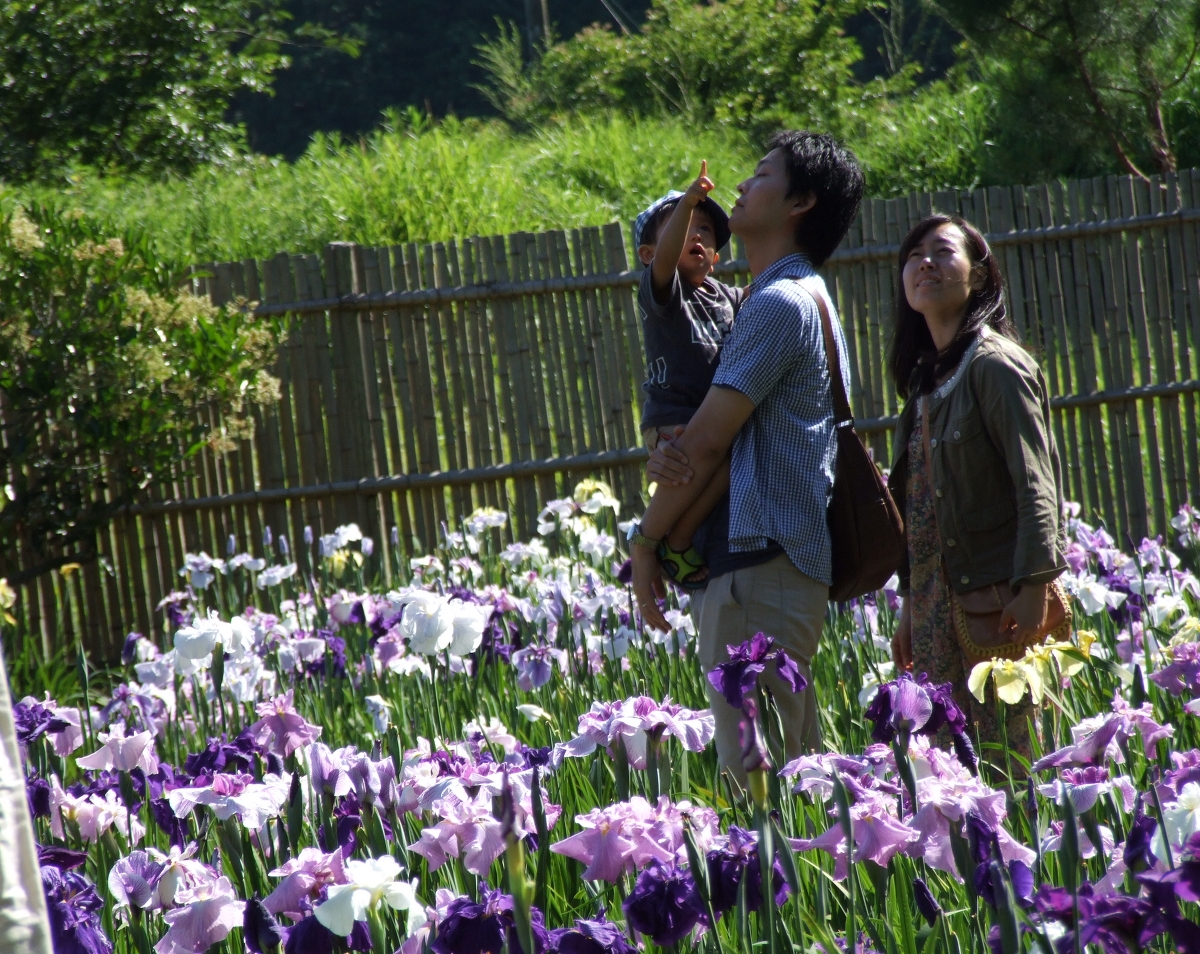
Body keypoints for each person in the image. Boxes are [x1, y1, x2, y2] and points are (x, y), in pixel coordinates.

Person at [629, 131, 865, 785]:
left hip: (758, 565)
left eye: (761, 174)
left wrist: (647, 540)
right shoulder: (795, 296)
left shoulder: (775, 305)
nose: (740, 186)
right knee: (795, 774)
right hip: (772, 563)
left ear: (801, 202)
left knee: (761, 783)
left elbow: (705, 442)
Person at [886, 214, 1066, 768]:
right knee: (953, 775)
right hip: (939, 613)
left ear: (981, 276)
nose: (925, 263)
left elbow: (1037, 484)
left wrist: (1034, 585)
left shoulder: (995, 366)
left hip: (1000, 608)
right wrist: (911, 606)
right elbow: (920, 509)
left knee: (1016, 764)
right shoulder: (924, 383)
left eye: (942, 252)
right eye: (914, 255)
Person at [634, 162, 743, 594]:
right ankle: (647, 539)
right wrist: (690, 198)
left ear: (716, 258)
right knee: (683, 470)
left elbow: (764, 293)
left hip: (711, 418)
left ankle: (677, 540)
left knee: (733, 455)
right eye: (683, 226)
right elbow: (668, 257)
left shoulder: (724, 294)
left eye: (707, 231)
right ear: (649, 255)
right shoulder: (662, 290)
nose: (696, 234)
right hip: (673, 413)